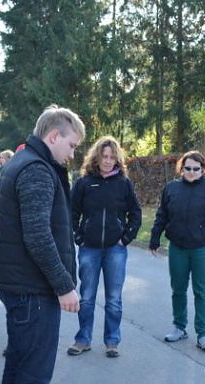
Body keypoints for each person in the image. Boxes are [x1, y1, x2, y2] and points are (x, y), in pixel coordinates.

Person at [0, 104, 85, 384]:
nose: (73, 154)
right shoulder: (36, 169)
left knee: (19, 364)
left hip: (23, 285)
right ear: (54, 136)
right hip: (33, 288)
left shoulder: (25, 162)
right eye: (72, 145)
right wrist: (64, 286)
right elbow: (38, 236)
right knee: (33, 370)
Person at [67, 136, 142, 359]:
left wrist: (125, 238)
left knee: (114, 299)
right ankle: (83, 340)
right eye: (104, 156)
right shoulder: (84, 183)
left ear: (117, 159)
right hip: (89, 249)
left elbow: (135, 213)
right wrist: (78, 237)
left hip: (115, 249)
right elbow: (71, 212)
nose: (108, 161)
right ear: (96, 158)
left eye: (111, 157)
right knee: (86, 297)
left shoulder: (124, 183)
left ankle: (112, 341)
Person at [148, 151, 205, 352]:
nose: (191, 172)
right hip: (178, 248)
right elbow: (162, 215)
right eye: (188, 168)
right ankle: (179, 327)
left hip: (203, 249)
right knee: (178, 289)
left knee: (202, 292)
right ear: (181, 169)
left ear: (203, 169)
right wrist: (155, 238)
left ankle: (203, 335)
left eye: (196, 169)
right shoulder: (171, 188)